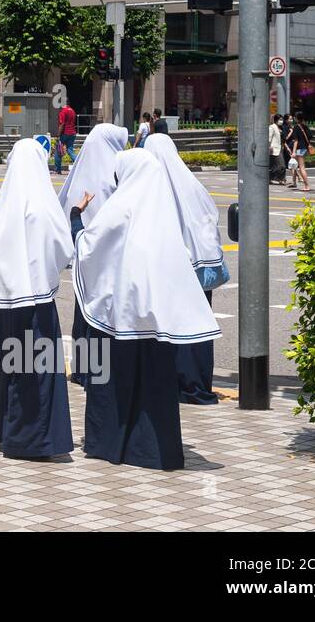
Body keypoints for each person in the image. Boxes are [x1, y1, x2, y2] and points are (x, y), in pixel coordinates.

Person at [71, 149, 221, 470]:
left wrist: (74, 216)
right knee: (154, 384)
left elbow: (88, 247)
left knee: (114, 381)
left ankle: (110, 444)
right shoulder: (165, 217)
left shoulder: (121, 207)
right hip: (157, 322)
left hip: (119, 318)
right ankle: (152, 450)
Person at [0, 139, 74, 458]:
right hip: (36, 302)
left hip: (6, 302)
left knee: (4, 362)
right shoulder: (43, 203)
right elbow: (62, 249)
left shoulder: (6, 203)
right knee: (36, 368)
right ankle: (30, 439)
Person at [143, 134, 231, 405]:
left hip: (172, 271)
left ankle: (175, 382)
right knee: (199, 326)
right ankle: (198, 385)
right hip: (201, 268)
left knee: (169, 328)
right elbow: (209, 220)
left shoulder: (153, 186)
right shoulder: (192, 183)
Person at [57, 122, 128, 385]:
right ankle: (100, 369)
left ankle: (81, 368)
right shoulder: (115, 173)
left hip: (82, 251)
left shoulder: (79, 170)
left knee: (82, 312)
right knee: (103, 314)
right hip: (109, 255)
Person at [286, 113, 312, 192]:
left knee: (301, 168)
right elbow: (310, 136)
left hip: (299, 149)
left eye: (294, 117)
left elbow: (296, 141)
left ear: (297, 118)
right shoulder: (305, 126)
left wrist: (293, 152)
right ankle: (295, 182)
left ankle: (307, 185)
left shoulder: (297, 127)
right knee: (297, 166)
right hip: (305, 148)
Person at [54, 100, 77, 174]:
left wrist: (58, 134)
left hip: (65, 134)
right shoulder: (72, 111)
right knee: (70, 150)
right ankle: (79, 164)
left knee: (58, 151)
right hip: (72, 133)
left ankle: (58, 170)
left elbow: (62, 124)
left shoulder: (63, 111)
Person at [268, 115, 285, 184]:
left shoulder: (281, 128)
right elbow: (269, 137)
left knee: (275, 166)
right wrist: (269, 146)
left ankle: (279, 179)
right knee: (281, 165)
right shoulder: (272, 127)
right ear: (276, 120)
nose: (281, 121)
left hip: (280, 148)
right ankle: (279, 178)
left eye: (282, 119)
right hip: (273, 148)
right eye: (280, 119)